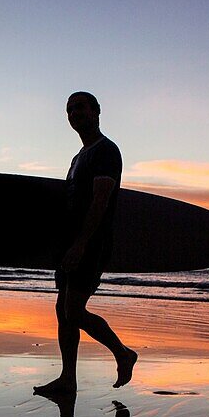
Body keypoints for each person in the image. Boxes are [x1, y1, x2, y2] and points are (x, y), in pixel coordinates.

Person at [34, 92, 137, 395]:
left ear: (97, 112)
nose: (74, 113)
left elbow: (101, 200)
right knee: (63, 310)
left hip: (91, 242)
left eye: (80, 107)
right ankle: (68, 379)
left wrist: (81, 244)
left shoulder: (106, 150)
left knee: (74, 311)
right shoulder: (79, 158)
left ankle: (123, 353)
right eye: (69, 109)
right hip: (72, 243)